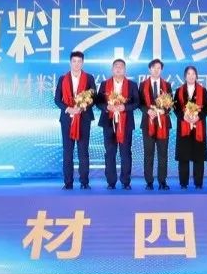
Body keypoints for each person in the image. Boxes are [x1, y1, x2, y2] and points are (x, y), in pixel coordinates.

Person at [53, 50, 96, 190]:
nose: (76, 64)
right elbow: (57, 99)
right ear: (70, 63)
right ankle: (68, 183)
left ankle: (84, 182)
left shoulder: (89, 78)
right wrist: (68, 109)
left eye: (79, 61)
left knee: (83, 151)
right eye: (74, 61)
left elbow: (93, 98)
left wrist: (82, 107)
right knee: (68, 151)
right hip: (67, 119)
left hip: (83, 118)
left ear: (83, 63)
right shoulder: (63, 79)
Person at [96, 58, 138, 189]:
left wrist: (125, 107)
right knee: (110, 153)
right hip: (108, 123)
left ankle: (126, 182)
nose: (118, 68)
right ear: (112, 69)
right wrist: (107, 107)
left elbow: (137, 102)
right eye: (116, 66)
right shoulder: (104, 84)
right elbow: (98, 102)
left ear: (125, 70)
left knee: (125, 153)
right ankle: (111, 182)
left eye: (121, 66)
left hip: (126, 123)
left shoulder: (132, 85)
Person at [139, 58, 172, 190]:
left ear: (161, 70)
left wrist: (163, 110)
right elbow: (139, 103)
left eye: (159, 68)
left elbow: (170, 104)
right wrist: (148, 111)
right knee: (148, 153)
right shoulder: (143, 85)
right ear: (150, 69)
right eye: (154, 68)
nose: (156, 70)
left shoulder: (167, 85)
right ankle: (149, 181)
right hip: (148, 123)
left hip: (163, 124)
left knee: (163, 154)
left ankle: (162, 181)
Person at [174, 64, 207, 189]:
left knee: (198, 156)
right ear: (185, 76)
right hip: (183, 126)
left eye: (193, 74)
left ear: (196, 76)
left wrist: (198, 117)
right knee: (183, 156)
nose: (191, 76)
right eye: (188, 74)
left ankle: (198, 183)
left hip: (198, 127)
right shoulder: (179, 91)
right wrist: (183, 117)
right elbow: (175, 108)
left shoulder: (202, 90)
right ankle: (183, 183)